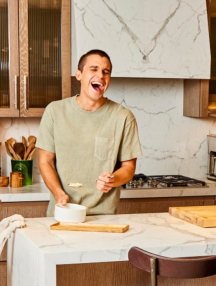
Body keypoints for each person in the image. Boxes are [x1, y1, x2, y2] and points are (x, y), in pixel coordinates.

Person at [37, 49, 142, 216]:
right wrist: (58, 193)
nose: (100, 75)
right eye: (94, 69)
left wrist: (113, 180)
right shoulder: (55, 111)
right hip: (63, 213)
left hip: (104, 218)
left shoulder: (124, 117)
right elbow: (45, 162)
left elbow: (128, 168)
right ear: (78, 75)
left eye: (105, 72)